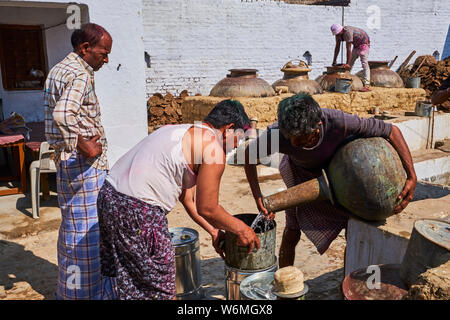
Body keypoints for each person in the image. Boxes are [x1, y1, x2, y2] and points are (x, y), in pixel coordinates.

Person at [97, 99, 261, 300]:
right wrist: (242, 229)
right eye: (239, 139)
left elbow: (188, 198)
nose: (236, 147)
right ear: (229, 129)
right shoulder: (213, 148)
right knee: (161, 289)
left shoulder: (179, 131)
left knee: (127, 280)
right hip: (139, 211)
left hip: (108, 198)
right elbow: (208, 207)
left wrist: (214, 231)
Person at [244, 93, 417, 268]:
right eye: (292, 140)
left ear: (319, 124)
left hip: (342, 175)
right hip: (300, 174)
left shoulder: (338, 122)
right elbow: (248, 155)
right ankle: (284, 284)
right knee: (292, 227)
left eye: (305, 139)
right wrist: (257, 195)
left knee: (352, 223)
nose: (296, 143)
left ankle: (348, 280)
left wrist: (411, 175)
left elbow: (392, 130)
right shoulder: (277, 134)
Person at [44, 23, 116, 299]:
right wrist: (82, 143)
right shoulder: (80, 76)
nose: (106, 59)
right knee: (87, 231)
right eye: (103, 53)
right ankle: (85, 294)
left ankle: (71, 290)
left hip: (67, 163)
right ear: (85, 49)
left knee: (72, 225)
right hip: (84, 165)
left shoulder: (60, 68)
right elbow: (63, 115)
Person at [331, 23, 371, 92]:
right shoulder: (338, 35)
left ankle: (367, 85)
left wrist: (347, 63)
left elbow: (348, 49)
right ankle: (346, 81)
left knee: (364, 63)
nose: (337, 36)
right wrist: (334, 61)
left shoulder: (347, 32)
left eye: (338, 34)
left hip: (364, 44)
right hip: (356, 45)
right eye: (336, 35)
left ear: (341, 31)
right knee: (351, 62)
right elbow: (337, 47)